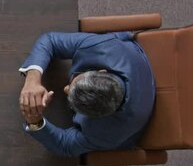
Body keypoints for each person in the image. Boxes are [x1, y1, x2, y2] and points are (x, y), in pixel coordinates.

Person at [18, 31, 156, 157]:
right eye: (71, 86)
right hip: (128, 54)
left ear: (98, 117)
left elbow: (65, 145)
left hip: (136, 113)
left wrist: (35, 121)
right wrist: (32, 79)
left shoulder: (106, 133)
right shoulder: (101, 47)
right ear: (102, 72)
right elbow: (50, 40)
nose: (65, 89)